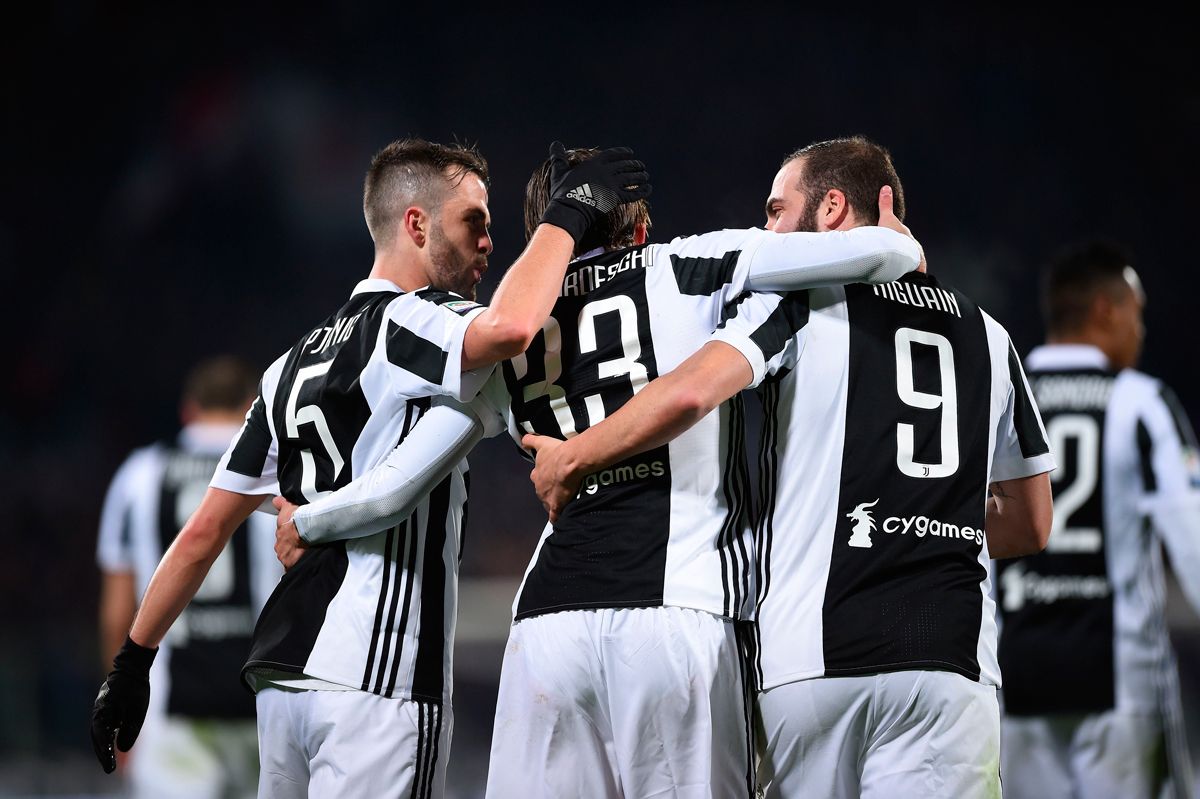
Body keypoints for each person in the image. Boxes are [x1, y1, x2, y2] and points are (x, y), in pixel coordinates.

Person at [273, 144, 926, 798]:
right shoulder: (695, 263)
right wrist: (895, 238)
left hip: (548, 631)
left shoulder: (512, 342)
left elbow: (394, 486)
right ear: (640, 227)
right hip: (680, 610)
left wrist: (308, 517)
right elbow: (885, 256)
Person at [90, 138, 651, 798]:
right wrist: (570, 216)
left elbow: (202, 534)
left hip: (282, 675)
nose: (489, 244)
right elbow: (511, 329)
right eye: (475, 222)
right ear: (416, 224)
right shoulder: (419, 320)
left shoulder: (284, 369)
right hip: (376, 668)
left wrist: (133, 661)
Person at [524, 136, 1057, 798]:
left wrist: (576, 452)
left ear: (833, 208)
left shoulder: (798, 305)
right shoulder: (991, 335)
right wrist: (920, 516)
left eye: (777, 209)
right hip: (947, 658)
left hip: (808, 661)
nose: (767, 228)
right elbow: (1032, 521)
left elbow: (691, 389)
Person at [993, 241, 1200, 799]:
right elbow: (1191, 535)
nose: (1142, 330)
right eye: (1138, 312)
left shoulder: (1000, 398)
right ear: (1106, 311)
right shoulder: (1141, 402)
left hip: (1016, 670)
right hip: (1119, 675)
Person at [96, 356, 280, 799]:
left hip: (168, 712)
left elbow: (117, 608)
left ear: (188, 411)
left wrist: (117, 703)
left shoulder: (139, 475)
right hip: (265, 703)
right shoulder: (280, 472)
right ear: (252, 407)